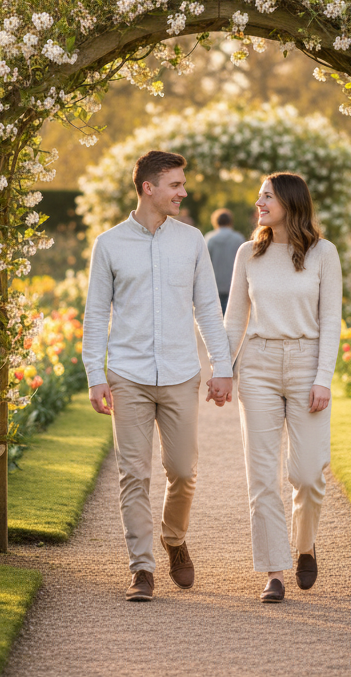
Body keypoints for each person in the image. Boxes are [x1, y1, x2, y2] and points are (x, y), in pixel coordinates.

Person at [82, 150, 234, 603]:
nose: (183, 192)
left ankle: (174, 538)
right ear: (149, 188)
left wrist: (221, 368)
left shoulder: (191, 241)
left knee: (183, 471)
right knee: (133, 474)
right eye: (175, 185)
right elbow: (95, 315)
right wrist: (96, 373)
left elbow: (209, 308)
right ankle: (142, 569)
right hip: (127, 374)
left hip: (180, 373)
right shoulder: (109, 244)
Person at [223, 172, 342, 604]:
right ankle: (274, 570)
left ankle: (305, 545)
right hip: (257, 365)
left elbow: (331, 320)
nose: (259, 202)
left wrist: (323, 378)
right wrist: (221, 367)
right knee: (262, 475)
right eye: (259, 196)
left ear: (290, 202)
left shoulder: (323, 254)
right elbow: (235, 319)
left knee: (309, 475)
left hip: (307, 362)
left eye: (267, 196)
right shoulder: (247, 254)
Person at [204, 208, 246, 314]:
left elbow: (203, 264)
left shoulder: (210, 239)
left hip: (214, 286)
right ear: (230, 221)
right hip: (234, 285)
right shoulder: (238, 239)